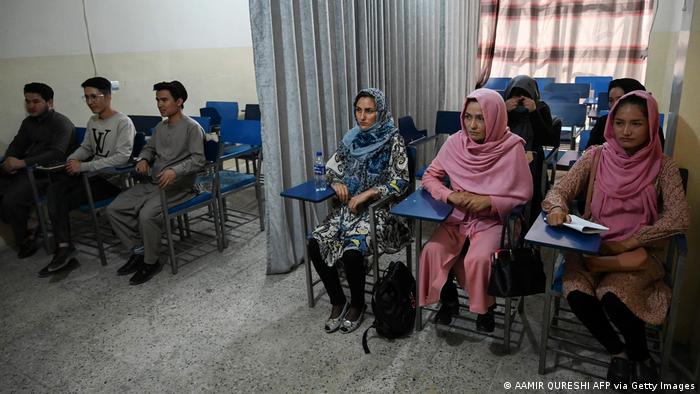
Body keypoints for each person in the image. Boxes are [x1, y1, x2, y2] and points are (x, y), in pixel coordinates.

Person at [542, 91, 689, 386]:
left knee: (613, 297)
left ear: (650, 126)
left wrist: (630, 241)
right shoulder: (595, 156)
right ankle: (618, 352)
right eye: (619, 123)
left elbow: (678, 218)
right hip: (591, 249)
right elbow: (559, 190)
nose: (626, 131)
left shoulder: (664, 166)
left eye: (636, 123)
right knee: (578, 294)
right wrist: (558, 207)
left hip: (637, 254)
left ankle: (641, 354)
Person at [419, 89, 533, 332]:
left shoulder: (511, 149)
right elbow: (430, 177)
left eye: (480, 118)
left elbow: (523, 195)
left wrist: (490, 201)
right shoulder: (455, 143)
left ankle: (486, 309)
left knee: (479, 258)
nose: (472, 125)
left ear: (496, 118)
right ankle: (449, 302)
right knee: (431, 250)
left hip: (492, 221)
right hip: (457, 218)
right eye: (468, 117)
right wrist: (450, 195)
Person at [308, 88, 410, 334]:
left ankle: (357, 304)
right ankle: (337, 300)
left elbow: (402, 180)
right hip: (348, 211)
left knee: (353, 251)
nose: (362, 117)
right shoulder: (351, 138)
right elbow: (331, 168)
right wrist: (336, 182)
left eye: (369, 111)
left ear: (380, 112)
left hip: (379, 212)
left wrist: (371, 192)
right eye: (359, 110)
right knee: (315, 243)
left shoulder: (393, 139)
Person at [106, 81, 204, 285]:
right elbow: (149, 149)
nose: (160, 104)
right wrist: (143, 159)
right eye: (158, 100)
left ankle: (151, 262)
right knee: (114, 209)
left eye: (164, 100)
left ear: (179, 101)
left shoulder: (192, 128)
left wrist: (174, 171)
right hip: (154, 183)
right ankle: (139, 251)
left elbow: (198, 160)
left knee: (147, 214)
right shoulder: (161, 126)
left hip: (179, 186)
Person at [38, 77, 136, 276]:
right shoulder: (93, 121)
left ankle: (63, 247)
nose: (90, 102)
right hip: (91, 175)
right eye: (86, 97)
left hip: (110, 180)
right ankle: (64, 246)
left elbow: (122, 158)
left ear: (108, 96)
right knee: (54, 188)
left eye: (94, 96)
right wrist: (71, 160)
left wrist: (84, 166)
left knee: (61, 197)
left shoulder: (122, 122)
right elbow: (87, 147)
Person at [0, 82, 74, 258]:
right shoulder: (29, 123)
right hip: (26, 169)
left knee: (11, 200)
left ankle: (24, 238)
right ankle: (31, 225)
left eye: (36, 101)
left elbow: (56, 154)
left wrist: (22, 163)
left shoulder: (61, 123)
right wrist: (10, 159)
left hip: (48, 173)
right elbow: (17, 144)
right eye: (27, 101)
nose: (31, 106)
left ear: (49, 102)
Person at [503, 75, 557, 225]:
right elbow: (494, 134)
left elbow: (547, 139)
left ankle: (529, 226)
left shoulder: (541, 108)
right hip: (505, 157)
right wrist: (504, 111)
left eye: (525, 95)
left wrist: (534, 113)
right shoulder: (502, 108)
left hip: (533, 159)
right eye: (516, 95)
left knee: (531, 197)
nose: (520, 99)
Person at [585, 78, 665, 149]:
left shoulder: (653, 128)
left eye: (620, 100)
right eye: (610, 100)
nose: (614, 105)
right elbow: (589, 152)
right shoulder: (603, 123)